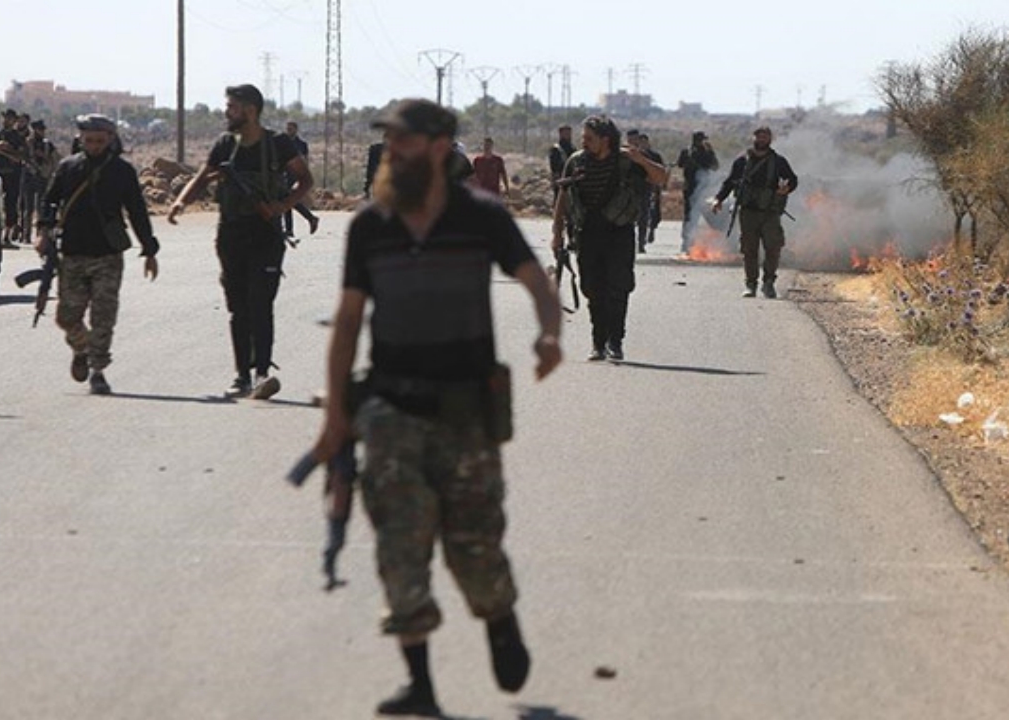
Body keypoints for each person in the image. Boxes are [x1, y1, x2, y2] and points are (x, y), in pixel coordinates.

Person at [310, 99, 562, 717]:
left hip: (467, 410)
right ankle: (419, 683)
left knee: (474, 544)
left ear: (441, 144)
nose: (394, 150)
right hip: (391, 409)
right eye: (390, 140)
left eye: (407, 140)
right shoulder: (371, 225)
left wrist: (549, 333)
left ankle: (499, 618)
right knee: (400, 543)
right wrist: (335, 413)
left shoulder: (480, 217)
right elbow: (348, 321)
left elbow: (535, 280)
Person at [166, 83, 313, 399]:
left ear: (250, 110)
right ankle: (241, 376)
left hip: (266, 235)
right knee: (238, 307)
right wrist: (180, 202)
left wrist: (282, 206)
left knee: (261, 303)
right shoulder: (225, 145)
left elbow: (305, 179)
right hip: (231, 234)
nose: (226, 112)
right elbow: (203, 177)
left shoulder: (278, 144)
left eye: (232, 107)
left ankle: (261, 373)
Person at [36, 114, 159, 395]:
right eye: (88, 140)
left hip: (108, 254)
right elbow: (50, 200)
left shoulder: (122, 172)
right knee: (67, 316)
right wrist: (43, 231)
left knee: (104, 315)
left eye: (100, 141)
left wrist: (149, 249)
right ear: (80, 139)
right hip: (73, 253)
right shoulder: (68, 168)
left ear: (110, 140)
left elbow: (137, 211)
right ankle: (82, 348)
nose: (94, 146)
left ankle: (98, 370)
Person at [552, 115, 667, 361]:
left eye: (589, 138)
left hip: (619, 233)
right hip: (587, 234)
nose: (583, 142)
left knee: (618, 287)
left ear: (605, 139)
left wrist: (642, 160)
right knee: (592, 287)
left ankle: (615, 341)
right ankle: (598, 342)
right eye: (583, 138)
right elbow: (563, 196)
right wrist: (556, 233)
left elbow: (661, 179)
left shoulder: (626, 162)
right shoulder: (576, 161)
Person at [711, 126, 798, 299]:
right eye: (759, 136)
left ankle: (769, 283)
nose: (762, 139)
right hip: (748, 212)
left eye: (765, 136)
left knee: (773, 248)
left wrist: (786, 189)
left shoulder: (778, 161)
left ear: (770, 139)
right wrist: (718, 200)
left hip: (770, 212)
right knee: (749, 250)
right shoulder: (742, 161)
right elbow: (729, 183)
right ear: (754, 138)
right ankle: (751, 284)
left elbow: (793, 179)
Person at [675, 130, 718, 253]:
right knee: (690, 215)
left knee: (700, 215)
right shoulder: (687, 152)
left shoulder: (706, 152)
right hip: (691, 188)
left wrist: (710, 153)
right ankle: (687, 241)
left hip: (703, 188)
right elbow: (680, 164)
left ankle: (696, 242)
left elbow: (715, 166)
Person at [20, 119, 60, 239]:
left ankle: (39, 233)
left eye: (42, 130)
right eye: (39, 129)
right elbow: (23, 158)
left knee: (41, 207)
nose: (41, 132)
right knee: (28, 208)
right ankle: (26, 234)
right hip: (29, 178)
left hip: (42, 177)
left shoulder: (47, 145)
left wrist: (48, 169)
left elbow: (56, 160)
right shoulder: (27, 143)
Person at [281, 121, 320, 237]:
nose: (288, 131)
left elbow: (304, 160)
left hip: (295, 174)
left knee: (286, 198)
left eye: (291, 128)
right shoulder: (283, 143)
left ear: (296, 130)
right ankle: (307, 220)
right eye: (287, 128)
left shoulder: (301, 144)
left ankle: (306, 220)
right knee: (287, 199)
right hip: (284, 173)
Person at [0, 109, 27, 245]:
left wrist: (7, 150)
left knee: (11, 204)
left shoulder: (18, 138)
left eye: (10, 118)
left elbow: (20, 157)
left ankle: (7, 235)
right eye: (5, 118)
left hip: (13, 174)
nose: (6, 121)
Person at [637, 132, 663, 252]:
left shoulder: (654, 156)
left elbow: (660, 172)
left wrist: (658, 188)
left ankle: (641, 242)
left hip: (647, 189)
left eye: (645, 142)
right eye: (641, 142)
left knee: (645, 216)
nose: (643, 144)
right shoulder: (634, 156)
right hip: (634, 191)